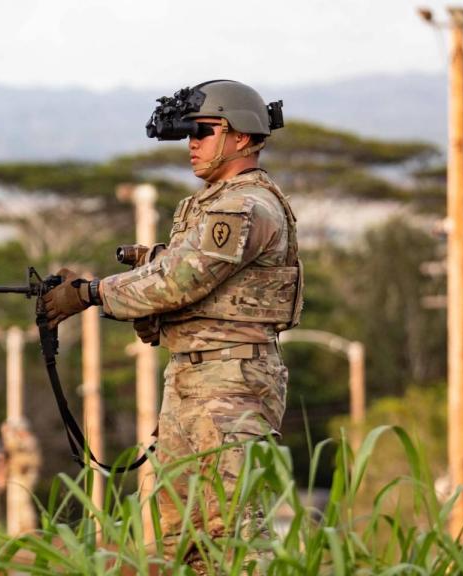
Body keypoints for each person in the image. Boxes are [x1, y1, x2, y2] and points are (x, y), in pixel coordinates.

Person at [41, 79, 301, 571]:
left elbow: (182, 280)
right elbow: (188, 279)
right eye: (188, 134)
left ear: (242, 137)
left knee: (236, 536)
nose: (193, 144)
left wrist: (92, 293)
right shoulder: (215, 202)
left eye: (203, 130)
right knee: (176, 539)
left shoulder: (243, 205)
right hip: (194, 379)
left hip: (231, 385)